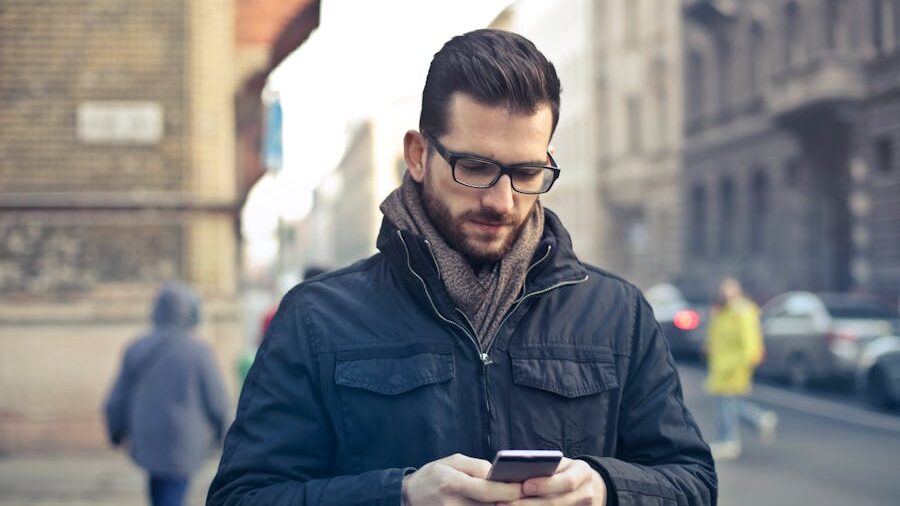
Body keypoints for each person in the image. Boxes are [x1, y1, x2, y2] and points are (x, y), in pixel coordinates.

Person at [208, 29, 715, 505]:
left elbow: (692, 481)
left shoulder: (618, 312)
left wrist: (605, 488)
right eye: (474, 167)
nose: (501, 200)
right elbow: (241, 496)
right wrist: (399, 496)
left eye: (526, 172)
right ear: (418, 154)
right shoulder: (315, 317)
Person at [104, 282, 230, 506]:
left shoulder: (137, 348)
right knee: (172, 493)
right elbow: (217, 401)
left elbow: (117, 399)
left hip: (147, 437)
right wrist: (224, 435)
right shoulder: (199, 352)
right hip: (184, 440)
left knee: (160, 490)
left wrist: (116, 430)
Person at [704, 277, 778, 461]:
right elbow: (716, 336)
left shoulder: (742, 311)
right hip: (721, 365)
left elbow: (750, 344)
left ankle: (728, 440)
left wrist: (743, 363)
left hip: (733, 366)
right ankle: (760, 419)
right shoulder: (723, 311)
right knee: (728, 403)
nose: (724, 293)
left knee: (726, 404)